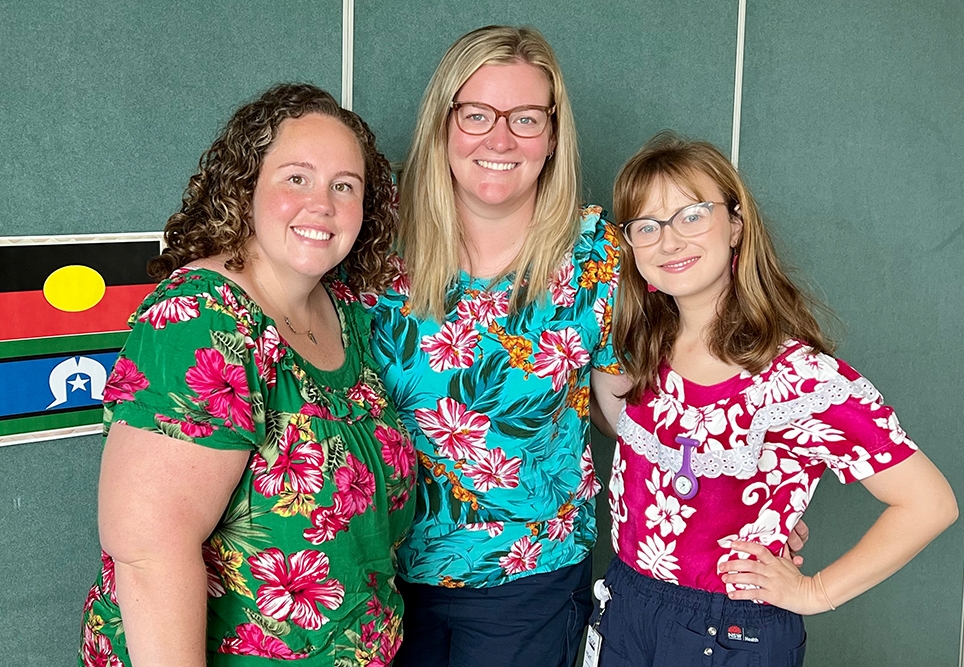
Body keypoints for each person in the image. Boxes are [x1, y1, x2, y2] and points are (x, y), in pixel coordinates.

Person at [587, 131, 958, 667]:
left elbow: (929, 503)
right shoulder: (641, 347)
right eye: (647, 226)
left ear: (736, 224)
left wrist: (815, 592)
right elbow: (632, 435)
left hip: (727, 631)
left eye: (692, 215)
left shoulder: (798, 379)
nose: (669, 241)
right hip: (625, 606)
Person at [79, 83, 415, 666]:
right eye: (296, 178)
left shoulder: (343, 311)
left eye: (344, 186)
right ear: (246, 187)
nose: (322, 204)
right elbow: (149, 553)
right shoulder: (204, 317)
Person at [365, 25, 624, 667]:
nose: (500, 139)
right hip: (371, 574)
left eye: (526, 118)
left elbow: (629, 416)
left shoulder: (598, 256)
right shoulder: (372, 242)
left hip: (529, 580)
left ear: (553, 135)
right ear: (443, 123)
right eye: (477, 114)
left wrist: (734, 503)